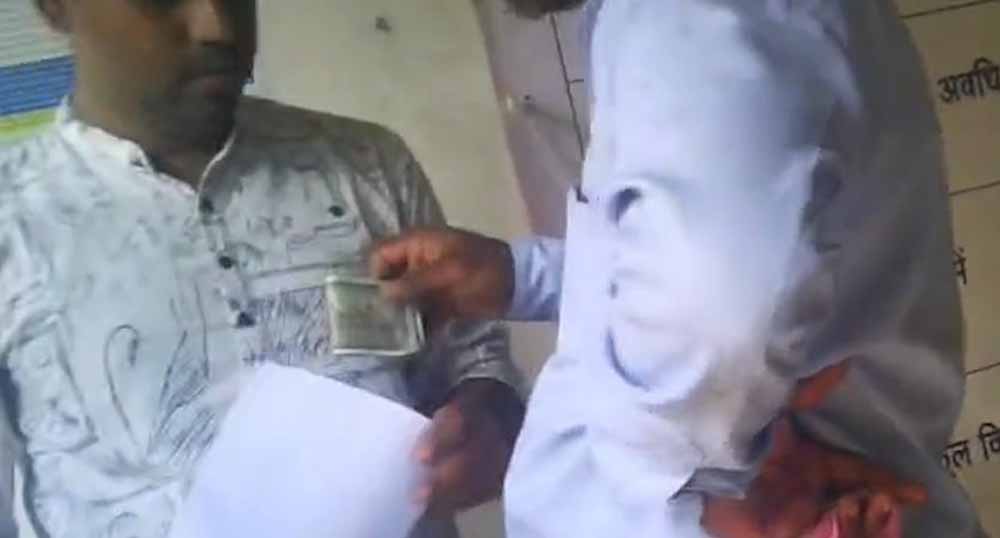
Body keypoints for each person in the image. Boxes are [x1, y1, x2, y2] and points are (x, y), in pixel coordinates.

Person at [372, 0, 985, 537]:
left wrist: (681, 472)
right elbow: (680, 288)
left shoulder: (690, 17)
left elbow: (715, 316)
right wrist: (520, 276)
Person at [0, 1, 526, 537]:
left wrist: (490, 423)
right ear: (55, 8)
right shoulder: (13, 218)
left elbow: (479, 365)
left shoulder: (366, 163)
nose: (218, 27)